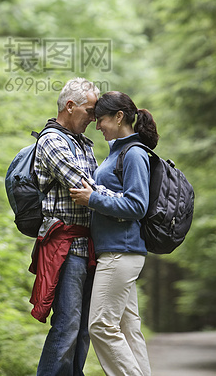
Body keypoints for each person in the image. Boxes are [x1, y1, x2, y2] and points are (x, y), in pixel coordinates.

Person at [70, 91, 159, 376]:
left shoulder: (133, 154)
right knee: (127, 328)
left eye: (101, 120)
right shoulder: (119, 152)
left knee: (100, 326)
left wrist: (91, 199)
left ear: (119, 117)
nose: (97, 126)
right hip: (118, 250)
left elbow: (137, 205)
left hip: (120, 252)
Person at [31, 77, 99, 376]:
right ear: (70, 106)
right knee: (67, 327)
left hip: (87, 247)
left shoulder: (83, 143)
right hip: (66, 247)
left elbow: (96, 192)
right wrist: (129, 202)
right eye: (90, 111)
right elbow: (85, 186)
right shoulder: (52, 140)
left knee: (83, 330)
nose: (94, 119)